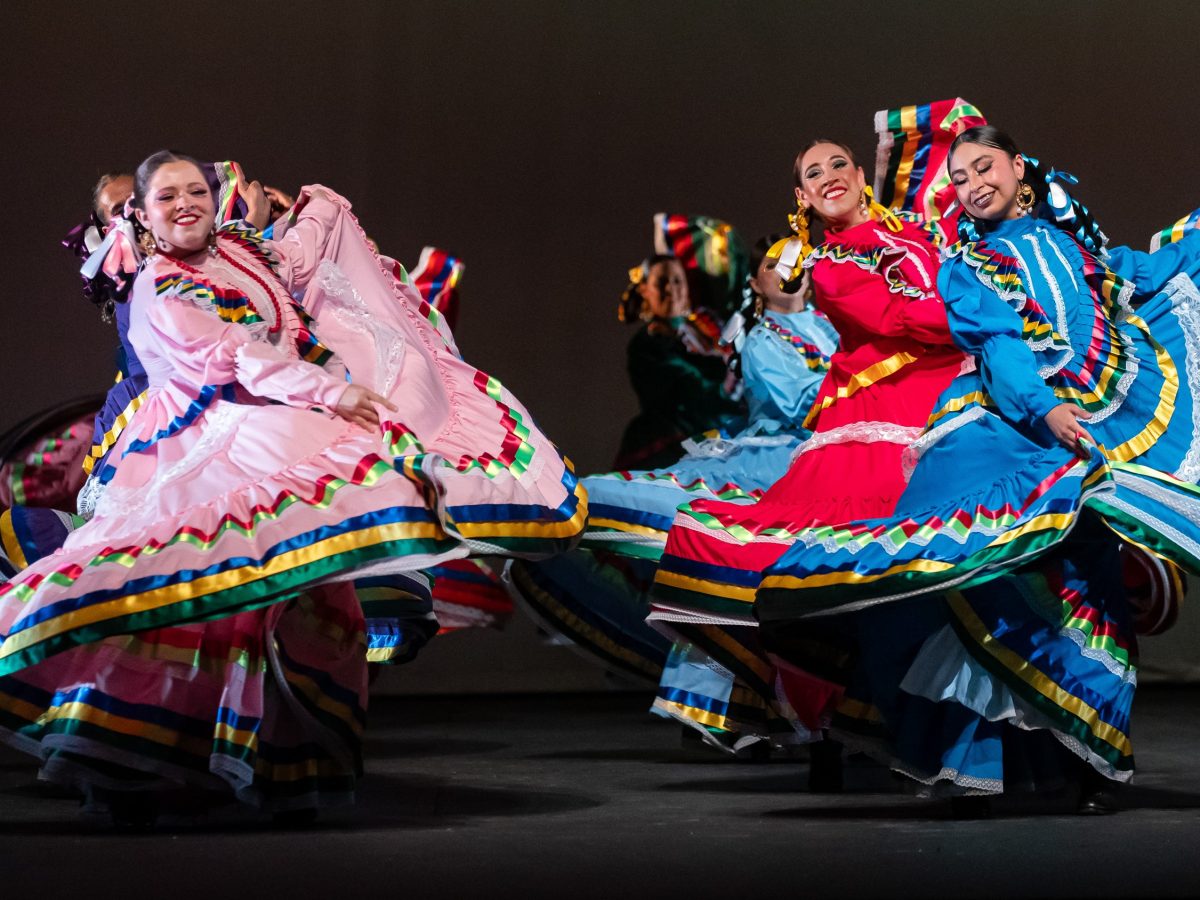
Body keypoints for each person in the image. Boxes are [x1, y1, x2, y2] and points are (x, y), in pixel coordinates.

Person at [0, 150, 585, 824]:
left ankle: (276, 760)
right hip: (206, 443)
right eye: (168, 198)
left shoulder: (239, 252)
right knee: (199, 587)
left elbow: (298, 258)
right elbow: (238, 355)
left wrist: (314, 208)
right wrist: (329, 392)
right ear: (143, 218)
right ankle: (137, 761)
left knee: (293, 585)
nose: (187, 204)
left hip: (268, 427)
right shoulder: (161, 287)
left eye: (197, 191)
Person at [757, 125, 1200, 812]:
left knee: (1091, 585)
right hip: (1005, 427)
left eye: (983, 168)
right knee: (972, 571)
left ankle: (1092, 760)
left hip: (1093, 420)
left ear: (1019, 167)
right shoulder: (966, 265)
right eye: (960, 179)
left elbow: (1137, 275)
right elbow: (998, 345)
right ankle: (967, 762)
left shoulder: (1069, 244)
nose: (972, 185)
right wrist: (1044, 409)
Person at [647, 139, 967, 759]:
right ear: (804, 199)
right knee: (861, 569)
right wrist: (976, 313)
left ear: (858, 174)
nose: (828, 177)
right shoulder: (831, 267)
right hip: (878, 426)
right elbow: (906, 320)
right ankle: (855, 723)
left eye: (837, 164)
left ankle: (933, 727)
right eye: (812, 174)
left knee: (958, 572)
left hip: (951, 401)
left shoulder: (917, 235)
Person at [507, 237, 838, 687]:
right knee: (675, 545)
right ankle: (704, 676)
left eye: (794, 258)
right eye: (771, 263)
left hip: (815, 452)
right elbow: (787, 401)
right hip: (718, 448)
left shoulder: (830, 329)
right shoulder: (741, 340)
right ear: (756, 284)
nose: (785, 266)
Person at [614, 254, 742, 469]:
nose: (671, 289)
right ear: (645, 289)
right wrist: (729, 387)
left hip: (724, 434)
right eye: (661, 282)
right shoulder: (647, 343)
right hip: (672, 443)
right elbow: (692, 389)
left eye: (677, 280)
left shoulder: (705, 329)